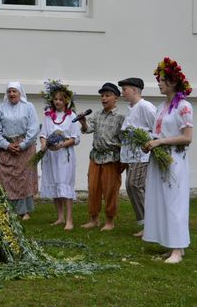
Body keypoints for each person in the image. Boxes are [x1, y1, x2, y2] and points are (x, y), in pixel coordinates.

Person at [143, 58, 193, 264]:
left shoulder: (184, 106)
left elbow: (187, 137)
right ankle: (169, 244)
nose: (159, 83)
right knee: (160, 201)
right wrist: (149, 142)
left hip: (174, 160)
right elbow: (158, 132)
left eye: (162, 79)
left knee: (174, 203)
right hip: (159, 159)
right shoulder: (162, 107)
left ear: (173, 82)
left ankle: (178, 248)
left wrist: (161, 142)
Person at [79, 82, 125, 231]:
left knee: (110, 190)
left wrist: (123, 161)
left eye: (107, 95)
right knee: (93, 188)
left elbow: (124, 140)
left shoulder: (121, 117)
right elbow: (87, 129)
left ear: (116, 98)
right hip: (95, 157)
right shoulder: (97, 114)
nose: (104, 98)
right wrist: (84, 122)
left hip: (112, 158)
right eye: (102, 96)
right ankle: (94, 219)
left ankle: (110, 221)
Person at [0, 82, 40, 220]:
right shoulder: (0, 108)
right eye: (9, 91)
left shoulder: (28, 107)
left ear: (20, 93)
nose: (12, 94)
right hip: (7, 148)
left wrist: (23, 145)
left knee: (24, 178)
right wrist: (6, 145)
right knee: (4, 179)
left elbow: (33, 128)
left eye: (14, 91)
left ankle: (25, 211)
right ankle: (6, 208)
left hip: (25, 147)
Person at [38, 80, 80, 231]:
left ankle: (69, 220)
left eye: (61, 99)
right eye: (55, 99)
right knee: (56, 185)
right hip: (51, 156)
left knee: (65, 185)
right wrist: (44, 144)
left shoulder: (71, 116)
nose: (57, 102)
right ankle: (60, 217)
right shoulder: (48, 116)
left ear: (66, 101)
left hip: (64, 156)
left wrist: (61, 145)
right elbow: (43, 133)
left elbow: (75, 138)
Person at [118, 77, 156, 237]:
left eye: (124, 89)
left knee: (133, 185)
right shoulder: (131, 108)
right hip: (131, 156)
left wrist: (150, 143)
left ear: (134, 89)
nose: (122, 92)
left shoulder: (146, 107)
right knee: (136, 187)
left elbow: (157, 128)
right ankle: (149, 224)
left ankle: (149, 224)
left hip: (142, 155)